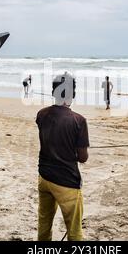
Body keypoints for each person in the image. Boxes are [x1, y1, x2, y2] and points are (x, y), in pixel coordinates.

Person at [35, 73, 90, 241]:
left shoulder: (41, 114)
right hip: (67, 182)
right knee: (74, 232)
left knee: (44, 223)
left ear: (53, 92)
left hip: (44, 177)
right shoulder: (78, 121)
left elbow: (53, 136)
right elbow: (82, 158)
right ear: (72, 94)